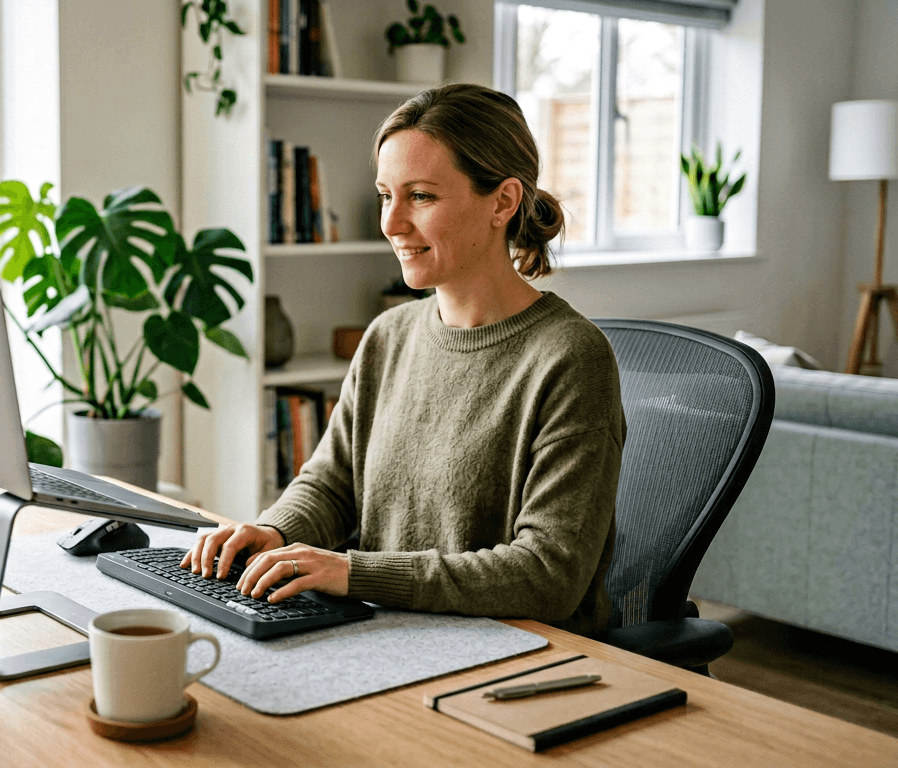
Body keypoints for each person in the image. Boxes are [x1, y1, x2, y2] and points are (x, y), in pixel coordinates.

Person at [180, 83, 626, 635]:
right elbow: (331, 486)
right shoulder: (387, 335)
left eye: (420, 197)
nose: (391, 224)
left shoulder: (571, 358)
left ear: (503, 202)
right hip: (388, 631)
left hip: (517, 649)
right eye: (385, 195)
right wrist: (275, 533)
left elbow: (548, 574)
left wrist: (353, 573)